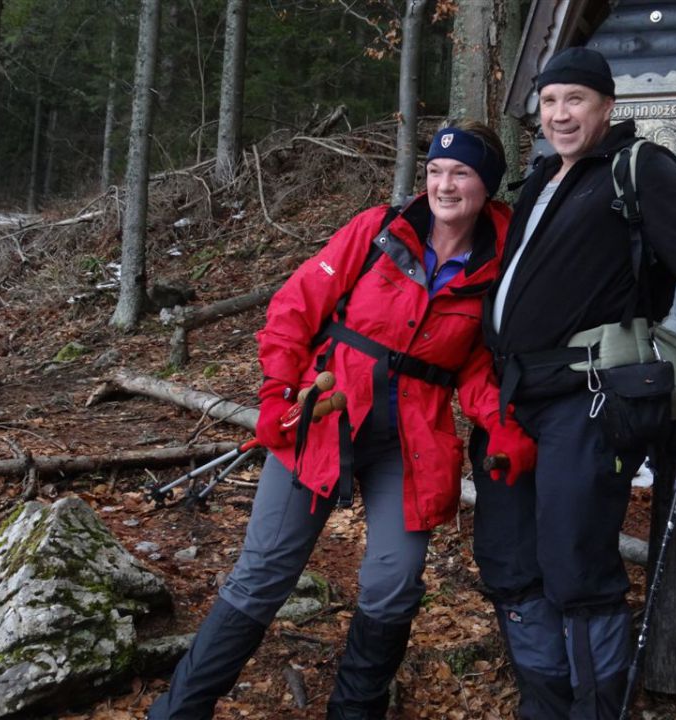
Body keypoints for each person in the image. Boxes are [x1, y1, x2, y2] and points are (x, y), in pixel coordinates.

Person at [148, 119, 537, 720]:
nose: (444, 184)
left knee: (394, 582)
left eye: (461, 173)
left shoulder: (498, 268)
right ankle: (178, 710)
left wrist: (503, 425)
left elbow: (479, 370)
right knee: (263, 574)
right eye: (435, 170)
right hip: (324, 417)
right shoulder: (379, 232)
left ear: (487, 185)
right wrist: (278, 393)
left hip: (411, 443)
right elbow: (295, 308)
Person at [471, 47, 676, 718]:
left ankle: (597, 708)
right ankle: (545, 702)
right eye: (549, 102)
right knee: (509, 560)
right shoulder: (541, 178)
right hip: (517, 399)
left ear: (607, 106)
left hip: (588, 396)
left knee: (574, 564)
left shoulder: (639, 168)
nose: (560, 114)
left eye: (575, 100)